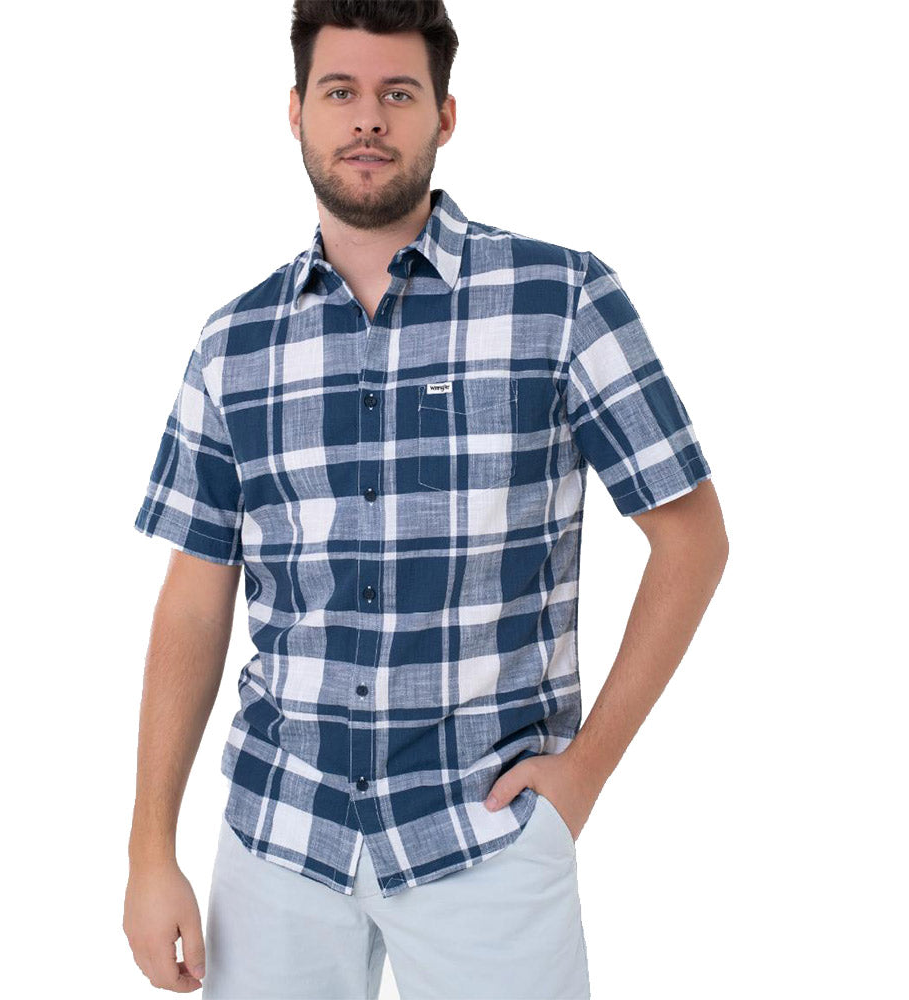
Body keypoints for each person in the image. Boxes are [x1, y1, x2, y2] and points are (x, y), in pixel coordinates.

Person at [123, 2, 729, 997]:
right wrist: (151, 848)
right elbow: (193, 598)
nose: (369, 117)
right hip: (278, 838)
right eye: (341, 92)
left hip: (483, 836)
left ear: (445, 115)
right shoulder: (232, 344)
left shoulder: (561, 299)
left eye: (397, 93)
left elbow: (692, 538)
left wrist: (584, 774)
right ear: (295, 111)